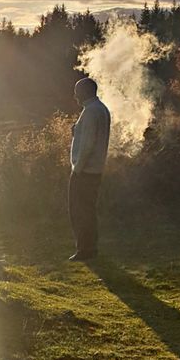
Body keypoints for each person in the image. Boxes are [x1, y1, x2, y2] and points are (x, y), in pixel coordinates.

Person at [68, 76, 111, 262]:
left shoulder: (90, 111)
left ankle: (84, 250)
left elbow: (87, 145)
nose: (75, 95)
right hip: (95, 168)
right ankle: (90, 248)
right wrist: (76, 131)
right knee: (88, 210)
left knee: (79, 210)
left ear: (86, 91)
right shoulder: (101, 109)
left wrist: (77, 169)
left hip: (84, 171)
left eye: (77, 91)